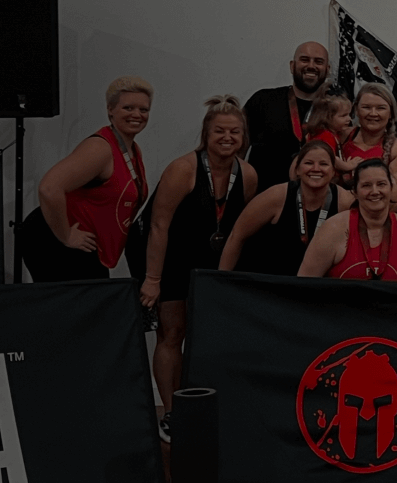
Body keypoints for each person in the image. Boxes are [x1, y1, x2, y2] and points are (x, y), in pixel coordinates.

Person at [140, 95, 259, 439]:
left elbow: (240, 231)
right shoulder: (183, 169)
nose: (227, 137)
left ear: (243, 137)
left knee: (208, 337)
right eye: (219, 131)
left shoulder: (248, 175)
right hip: (173, 260)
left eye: (235, 132)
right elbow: (158, 225)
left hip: (212, 264)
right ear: (206, 133)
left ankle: (202, 407)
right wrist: (152, 279)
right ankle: (171, 413)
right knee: (171, 335)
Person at [23, 76, 151, 282]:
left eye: (143, 110)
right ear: (110, 109)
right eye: (128, 108)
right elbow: (49, 188)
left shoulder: (133, 150)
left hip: (88, 243)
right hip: (57, 240)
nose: (137, 114)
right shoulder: (100, 148)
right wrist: (66, 235)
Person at [220, 140, 354, 276]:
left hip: (318, 284)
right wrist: (220, 281)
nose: (316, 168)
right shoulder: (276, 196)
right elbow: (236, 237)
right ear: (297, 169)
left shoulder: (345, 202)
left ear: (333, 171)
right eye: (308, 163)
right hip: (274, 281)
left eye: (323, 164)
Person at [299, 159, 397, 281]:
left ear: (391, 188)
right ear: (355, 192)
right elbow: (303, 285)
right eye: (366, 185)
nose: (375, 191)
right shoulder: (332, 230)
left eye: (381, 184)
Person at [245, 41, 329, 189]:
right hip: (263, 197)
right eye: (304, 59)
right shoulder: (262, 101)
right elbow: (236, 152)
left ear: (327, 70)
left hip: (316, 197)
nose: (311, 66)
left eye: (319, 62)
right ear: (292, 66)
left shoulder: (335, 110)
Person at [338, 83, 397, 178]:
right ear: (356, 110)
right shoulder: (341, 136)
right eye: (366, 107)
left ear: (391, 113)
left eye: (381, 108)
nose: (373, 113)